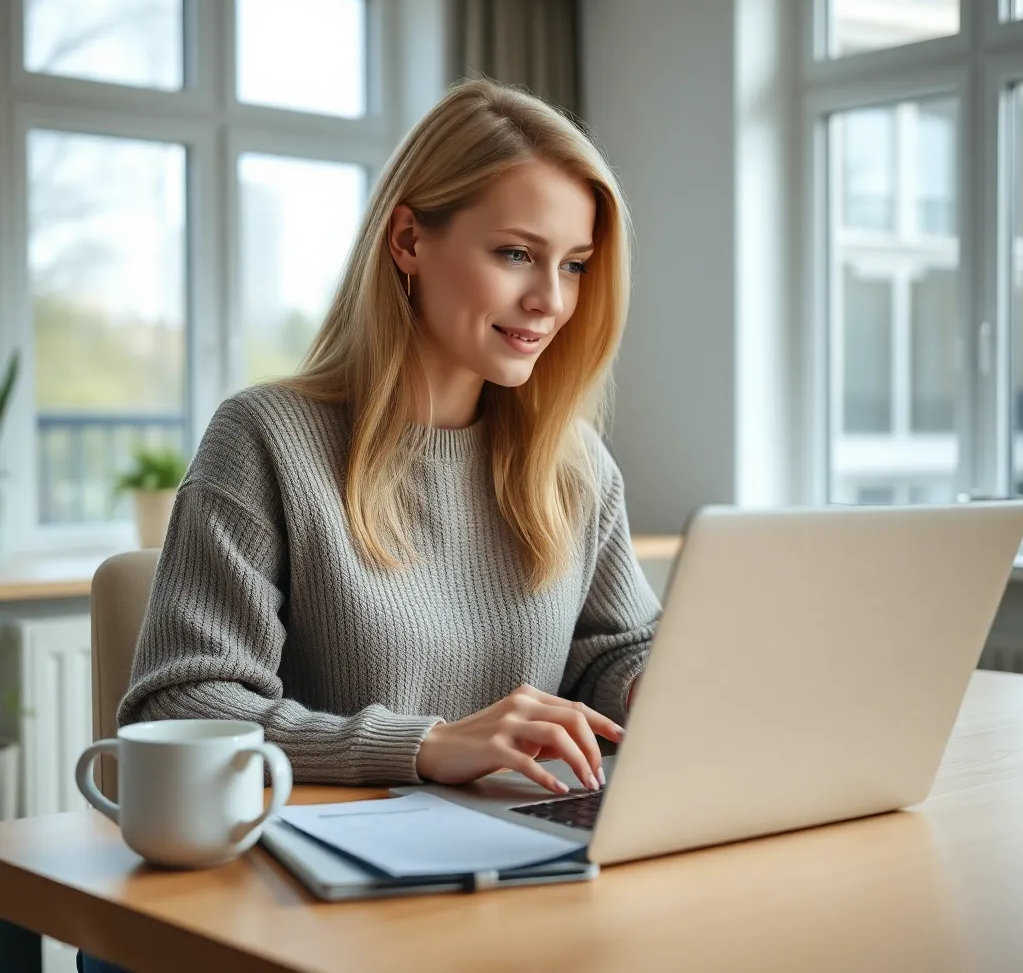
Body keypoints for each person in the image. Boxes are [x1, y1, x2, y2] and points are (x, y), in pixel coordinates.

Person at [78, 78, 660, 973]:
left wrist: (661, 688)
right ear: (408, 241)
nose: (551, 298)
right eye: (517, 253)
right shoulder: (266, 438)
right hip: (296, 907)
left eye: (575, 264)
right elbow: (183, 706)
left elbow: (611, 652)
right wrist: (423, 746)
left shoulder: (573, 463)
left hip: (508, 882)